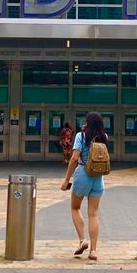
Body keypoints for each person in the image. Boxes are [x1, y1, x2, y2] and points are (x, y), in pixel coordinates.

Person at [61, 111, 108, 262]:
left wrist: (66, 179)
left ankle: (83, 240)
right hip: (98, 177)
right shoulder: (104, 137)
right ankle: (93, 250)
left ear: (87, 122)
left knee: (75, 208)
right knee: (93, 214)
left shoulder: (81, 136)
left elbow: (74, 158)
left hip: (83, 174)